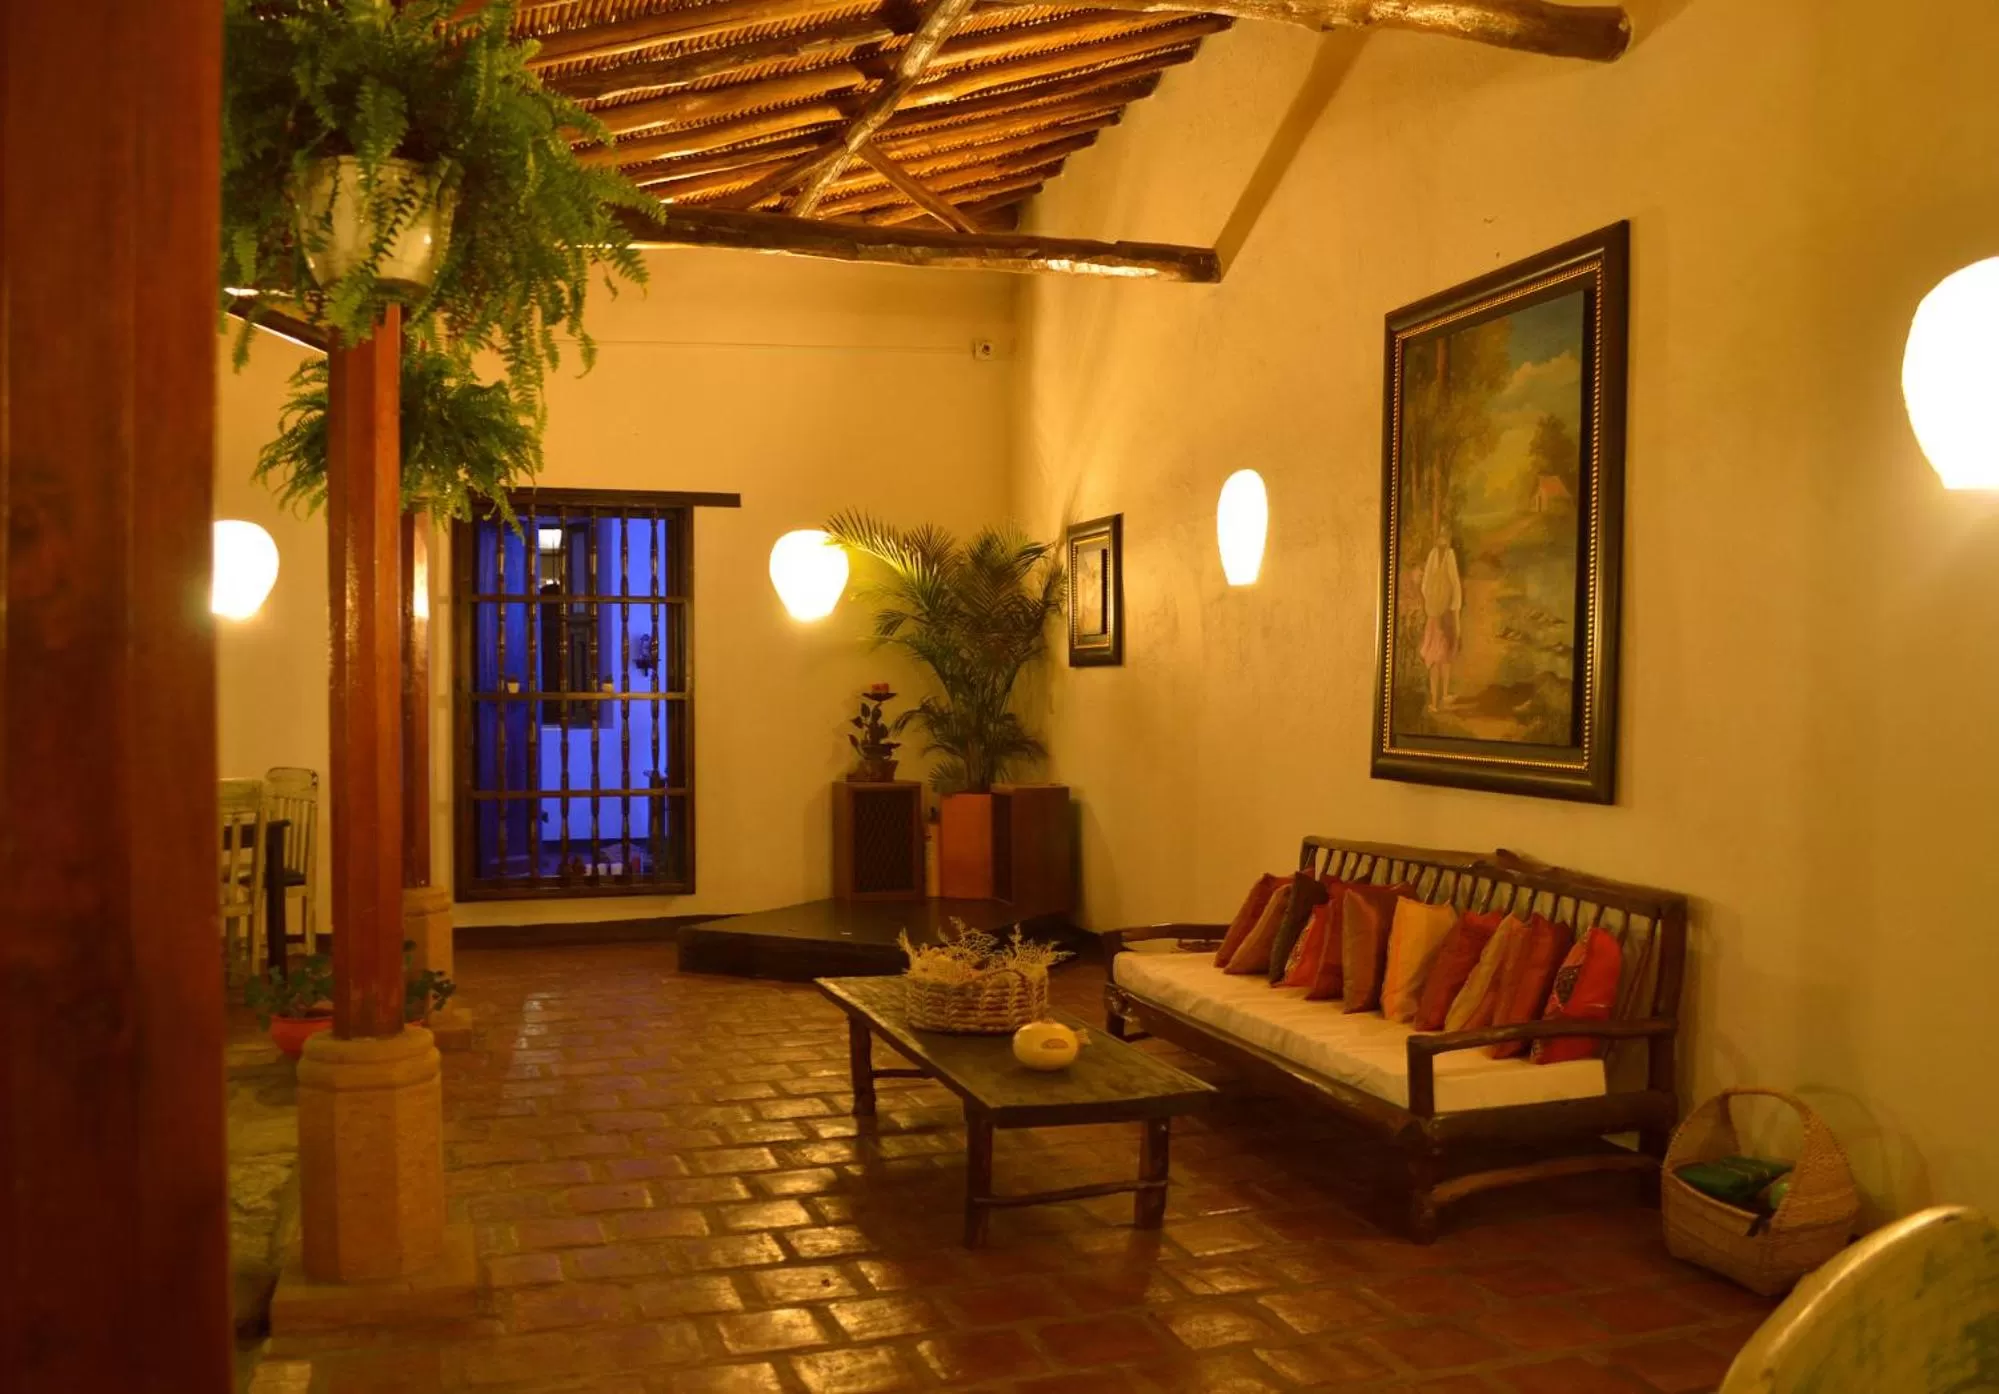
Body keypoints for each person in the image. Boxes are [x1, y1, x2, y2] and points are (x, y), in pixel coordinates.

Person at [1418, 525, 1462, 714]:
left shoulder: (1434, 556)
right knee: (1443, 656)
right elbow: (1455, 584)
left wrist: (1431, 604)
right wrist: (1455, 610)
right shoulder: (1447, 556)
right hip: (1443, 613)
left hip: (1435, 614)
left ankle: (1437, 701)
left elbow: (1425, 585)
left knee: (1438, 657)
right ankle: (1441, 698)